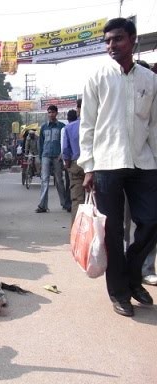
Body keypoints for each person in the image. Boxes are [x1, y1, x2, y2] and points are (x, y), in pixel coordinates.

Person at [78, 17, 157, 317]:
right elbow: (87, 125)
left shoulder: (150, 81)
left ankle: (132, 276)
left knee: (150, 222)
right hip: (107, 163)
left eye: (118, 39)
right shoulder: (97, 77)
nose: (111, 45)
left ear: (133, 40)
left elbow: (154, 125)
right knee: (112, 232)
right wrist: (88, 166)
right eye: (108, 41)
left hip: (144, 161)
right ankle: (120, 292)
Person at [35, 104, 66, 213]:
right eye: (49, 112)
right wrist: (40, 156)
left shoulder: (62, 127)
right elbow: (41, 143)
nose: (51, 114)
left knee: (59, 180)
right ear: (47, 114)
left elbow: (64, 142)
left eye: (53, 112)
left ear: (56, 113)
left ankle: (65, 203)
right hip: (46, 156)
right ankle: (43, 206)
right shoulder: (43, 127)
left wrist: (62, 154)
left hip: (57, 156)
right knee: (44, 180)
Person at [62, 99, 84, 222]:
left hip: (77, 165)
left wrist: (67, 163)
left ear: (78, 109)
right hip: (96, 166)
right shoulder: (98, 125)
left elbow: (66, 150)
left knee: (77, 200)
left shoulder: (69, 128)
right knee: (97, 200)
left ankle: (77, 233)